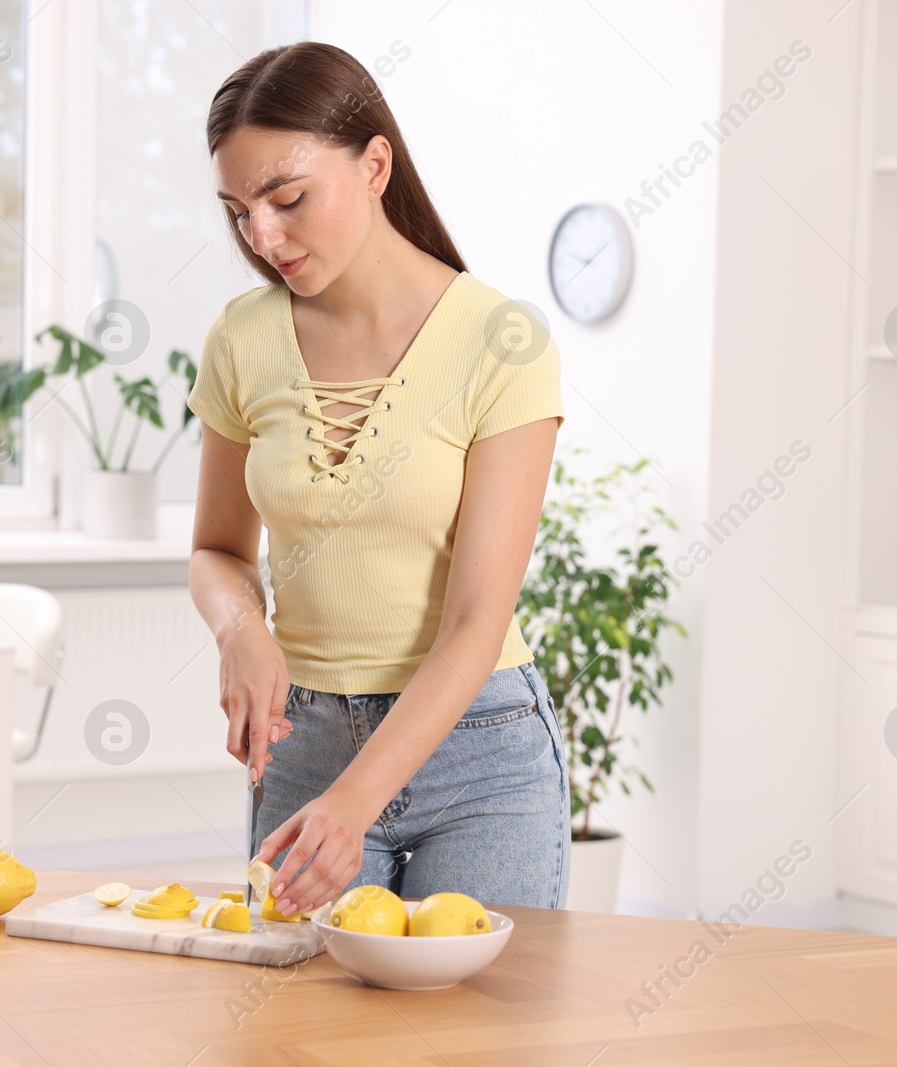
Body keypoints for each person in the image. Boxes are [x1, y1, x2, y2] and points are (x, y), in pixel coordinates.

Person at [187, 41, 569, 918]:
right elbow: (215, 548)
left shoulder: (501, 340)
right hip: (304, 748)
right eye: (239, 212)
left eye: (287, 200)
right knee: (298, 1043)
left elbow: (479, 621)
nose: (263, 237)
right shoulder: (242, 339)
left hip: (481, 754)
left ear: (374, 165)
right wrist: (240, 624)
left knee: (469, 1045)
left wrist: (355, 802)